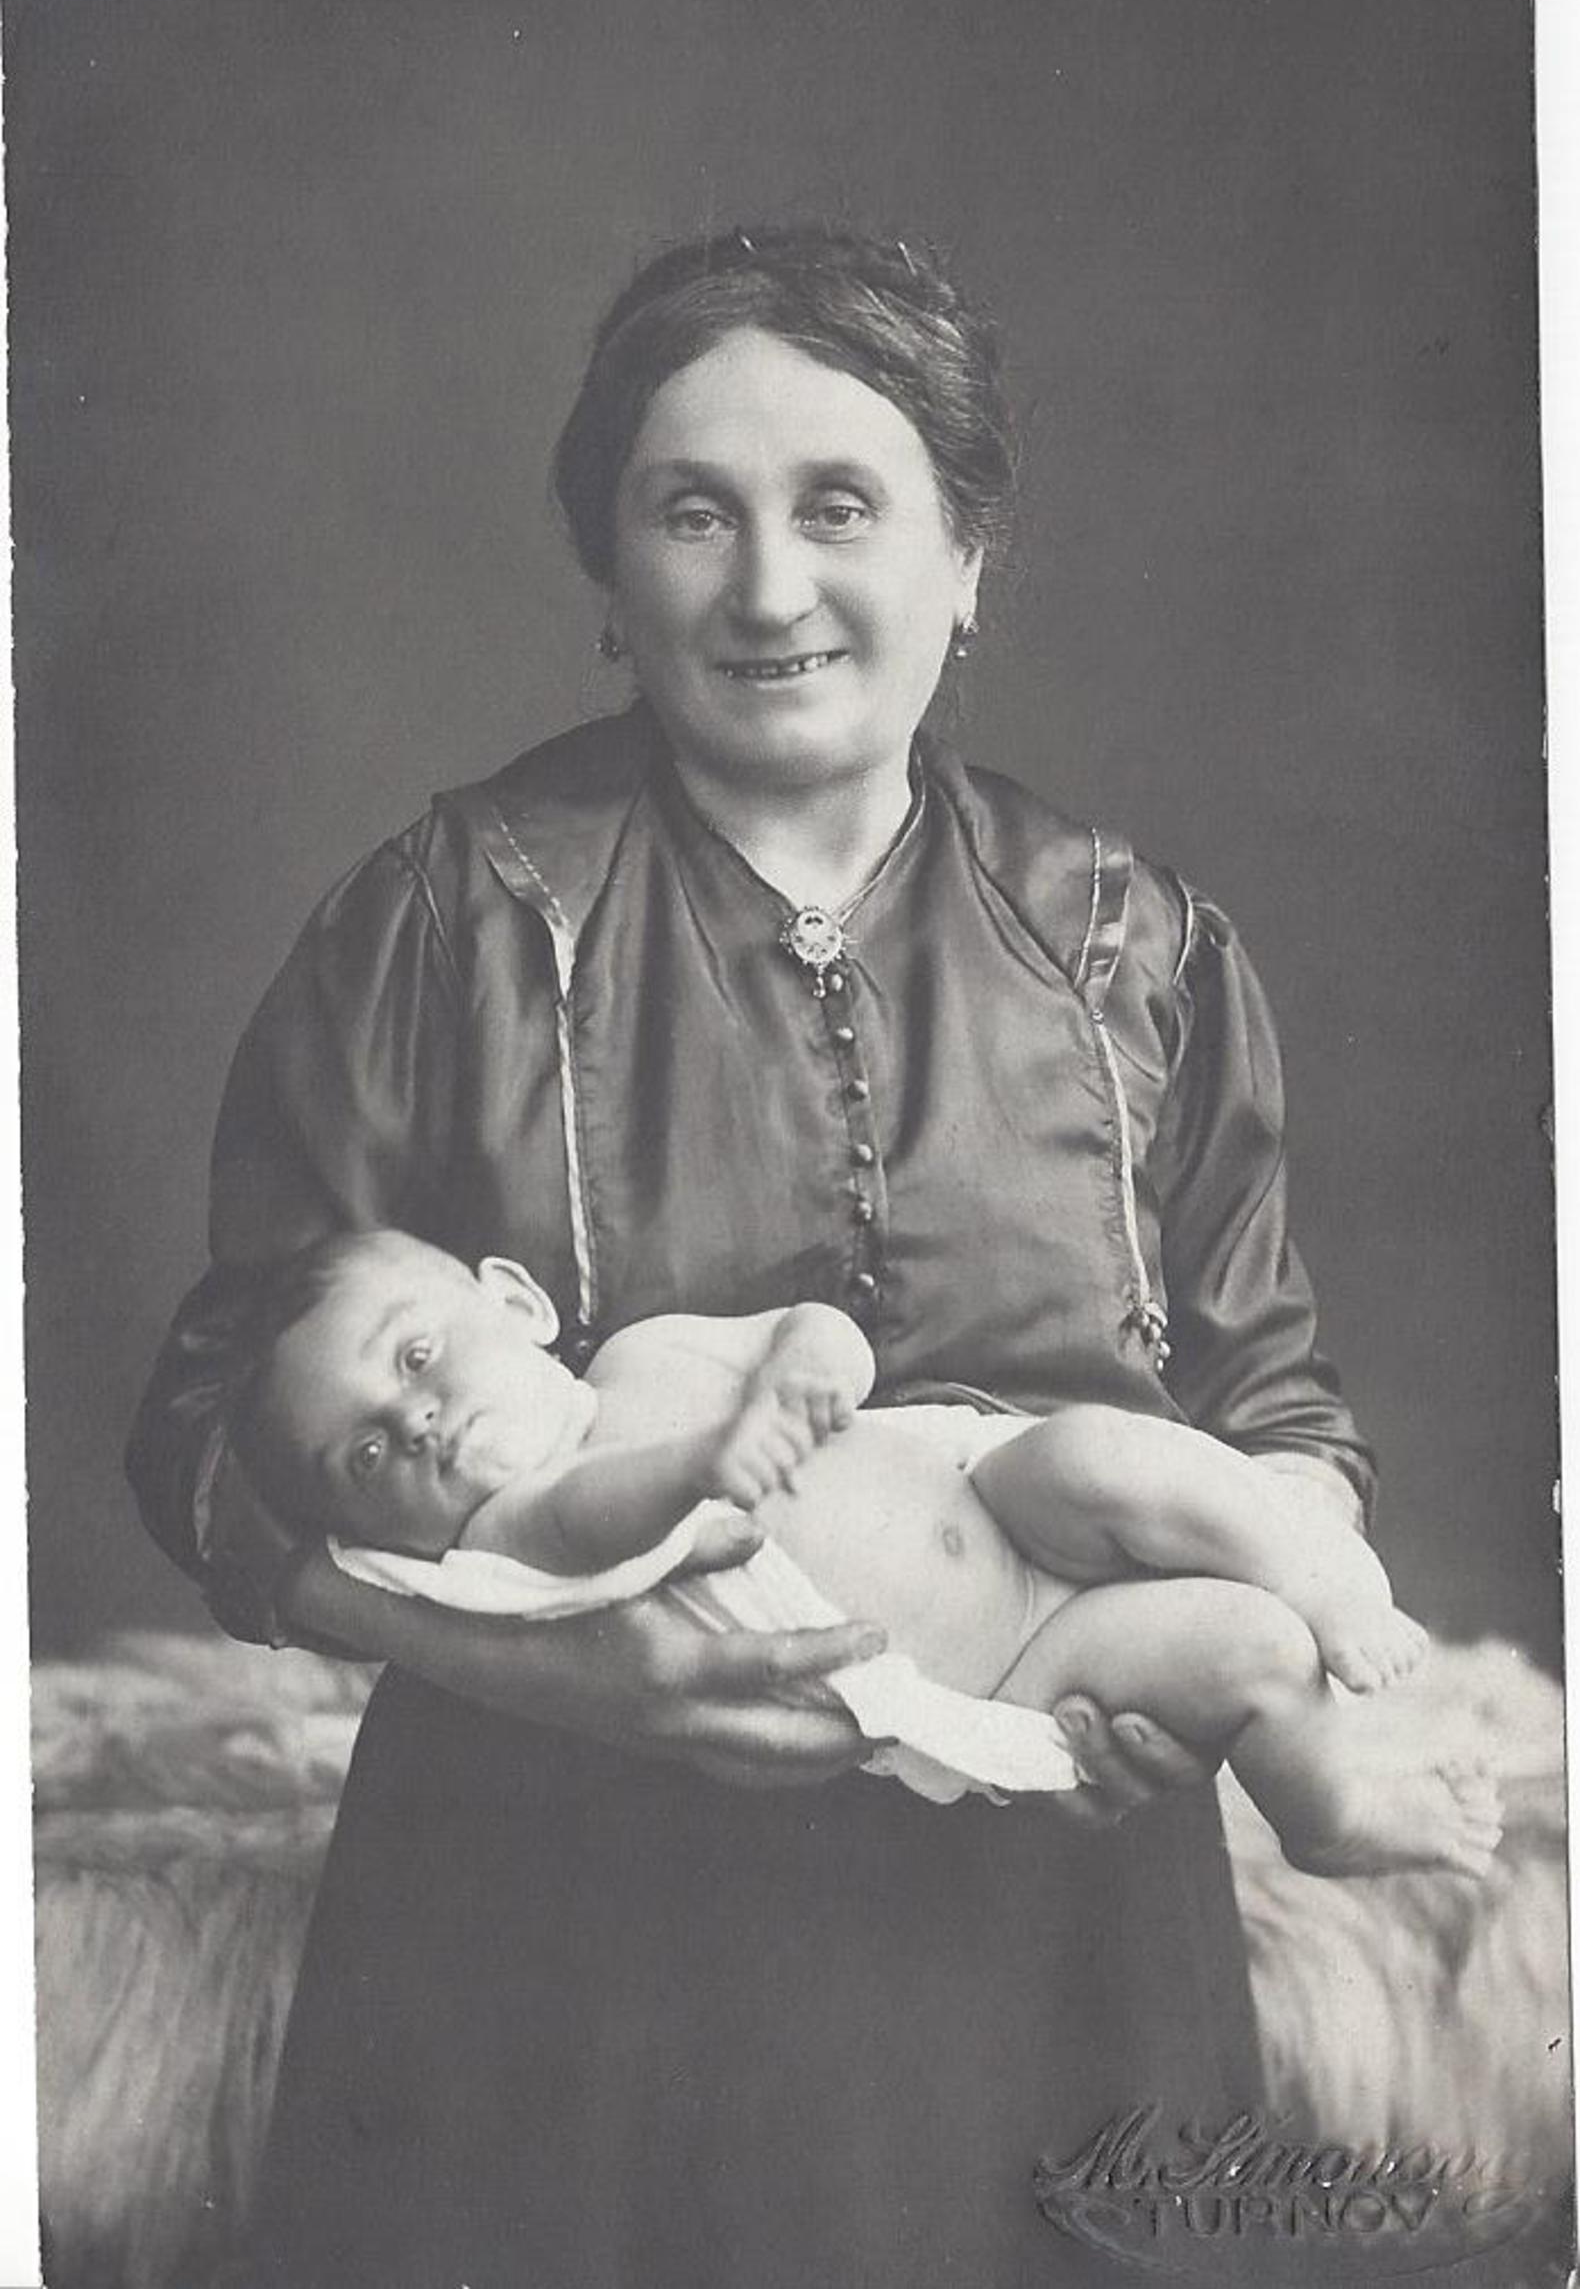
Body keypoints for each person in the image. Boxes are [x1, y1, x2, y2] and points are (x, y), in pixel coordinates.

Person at [127, 223, 1383, 2287]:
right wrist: (539, 1659)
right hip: (552, 1964)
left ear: (968, 558)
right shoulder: (447, 922)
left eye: (842, 506)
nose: (771, 587)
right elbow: (207, 1436)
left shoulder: (1132, 945)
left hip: (1061, 1946)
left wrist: (1253, 1638)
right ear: (610, 578)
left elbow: (1275, 1408)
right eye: (693, 511)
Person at [234, 1225, 1498, 1875]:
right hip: (1012, 1665)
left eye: (416, 1356)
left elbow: (807, 1329)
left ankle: (1324, 1571)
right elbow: (597, 1521)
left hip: (994, 1491)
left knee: (1101, 1453)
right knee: (1246, 1650)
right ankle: (1328, 1815)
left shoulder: (640, 1353)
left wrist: (810, 1361)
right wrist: (705, 1461)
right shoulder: (511, 1534)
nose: (418, 1422)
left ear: (514, 1303)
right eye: (367, 1456)